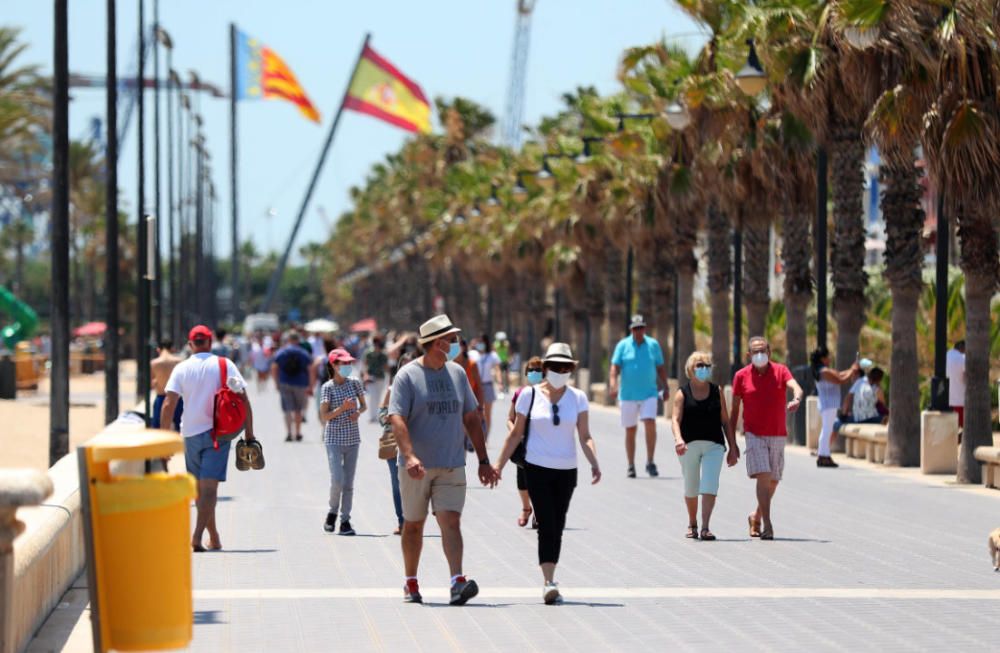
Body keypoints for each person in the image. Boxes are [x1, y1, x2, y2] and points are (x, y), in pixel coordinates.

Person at [388, 314, 497, 606]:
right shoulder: (408, 376)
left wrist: (484, 461)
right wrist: (409, 456)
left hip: (451, 463)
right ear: (436, 342)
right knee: (413, 524)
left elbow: (471, 418)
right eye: (450, 339)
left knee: (451, 520)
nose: (454, 343)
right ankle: (411, 581)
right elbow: (396, 418)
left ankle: (456, 582)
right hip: (416, 469)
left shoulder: (458, 374)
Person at [495, 343, 601, 605]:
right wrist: (497, 465)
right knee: (546, 523)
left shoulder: (578, 398)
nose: (560, 371)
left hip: (567, 471)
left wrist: (594, 462)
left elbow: (585, 435)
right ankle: (548, 581)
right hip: (537, 468)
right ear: (545, 368)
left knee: (558, 524)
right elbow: (516, 433)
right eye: (555, 367)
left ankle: (550, 576)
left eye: (565, 367)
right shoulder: (528, 396)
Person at [160, 325, 255, 552]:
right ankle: (199, 536)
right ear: (210, 343)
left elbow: (168, 404)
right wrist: (249, 433)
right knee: (209, 490)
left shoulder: (181, 368)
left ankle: (213, 537)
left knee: (200, 491)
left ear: (190, 344)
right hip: (218, 434)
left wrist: (165, 439)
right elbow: (243, 399)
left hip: (190, 434)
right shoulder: (225, 365)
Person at [729, 336, 804, 541]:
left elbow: (795, 386)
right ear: (748, 355)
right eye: (755, 351)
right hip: (754, 434)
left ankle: (756, 516)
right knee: (763, 476)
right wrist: (732, 443)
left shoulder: (781, 371)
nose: (759, 354)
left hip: (778, 434)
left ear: (769, 352)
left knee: (773, 480)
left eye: (763, 350)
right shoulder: (741, 376)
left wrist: (796, 398)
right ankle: (768, 524)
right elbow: (734, 409)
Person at [670, 352, 738, 540]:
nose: (703, 368)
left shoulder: (717, 391)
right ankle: (692, 523)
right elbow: (675, 420)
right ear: (690, 369)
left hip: (714, 445)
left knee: (709, 484)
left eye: (706, 365)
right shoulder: (682, 393)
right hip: (688, 445)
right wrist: (678, 439)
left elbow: (725, 421)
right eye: (699, 365)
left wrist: (733, 447)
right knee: (691, 486)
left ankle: (706, 527)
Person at [609, 314, 667, 478]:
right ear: (631, 330)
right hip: (628, 394)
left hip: (649, 392)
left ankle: (650, 461)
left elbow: (660, 367)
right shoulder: (623, 345)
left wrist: (666, 386)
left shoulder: (653, 345)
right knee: (631, 429)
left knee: (650, 422)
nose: (638, 331)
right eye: (635, 328)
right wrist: (613, 384)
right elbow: (615, 367)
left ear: (645, 328)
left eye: (641, 328)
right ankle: (631, 465)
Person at [319, 348, 367, 536]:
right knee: (337, 479)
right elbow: (324, 416)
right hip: (334, 439)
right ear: (333, 365)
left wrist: (358, 412)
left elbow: (364, 405)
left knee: (348, 482)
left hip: (353, 439)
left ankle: (345, 520)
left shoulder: (354, 383)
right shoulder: (327, 388)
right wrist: (343, 408)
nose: (347, 367)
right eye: (343, 364)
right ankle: (332, 511)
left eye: (349, 363)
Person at [379, 349, 420, 536]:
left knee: (416, 484)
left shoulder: (422, 389)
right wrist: (388, 417)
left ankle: (414, 519)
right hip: (395, 443)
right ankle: (402, 521)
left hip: (418, 442)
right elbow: (381, 416)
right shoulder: (391, 389)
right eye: (404, 366)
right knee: (397, 483)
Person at [506, 356, 545, 529]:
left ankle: (538, 512)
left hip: (541, 443)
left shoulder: (548, 395)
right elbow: (510, 418)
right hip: (522, 444)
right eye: (531, 370)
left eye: (538, 370)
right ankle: (526, 508)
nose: (534, 373)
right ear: (526, 373)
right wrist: (516, 432)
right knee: (522, 478)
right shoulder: (519, 393)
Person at [811, 346, 860, 468]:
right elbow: (840, 380)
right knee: (827, 431)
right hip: (828, 404)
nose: (829, 358)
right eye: (827, 356)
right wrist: (852, 371)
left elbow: (839, 374)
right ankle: (823, 456)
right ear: (823, 358)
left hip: (828, 404)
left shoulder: (823, 370)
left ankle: (824, 455)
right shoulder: (824, 371)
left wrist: (851, 370)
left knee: (827, 430)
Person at [272, 331, 315, 442]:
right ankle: (298, 433)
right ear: (298, 340)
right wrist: (311, 385)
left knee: (287, 409)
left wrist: (276, 383)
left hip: (284, 382)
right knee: (298, 409)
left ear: (288, 340)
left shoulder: (281, 352)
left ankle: (289, 433)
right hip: (301, 383)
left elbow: (274, 367)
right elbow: (311, 369)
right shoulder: (303, 352)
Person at [150, 339, 183, 431]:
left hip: (161, 397)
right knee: (179, 427)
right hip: (177, 397)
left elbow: (151, 384)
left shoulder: (154, 363)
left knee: (158, 428)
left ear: (158, 349)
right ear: (172, 349)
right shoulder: (179, 361)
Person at [475, 333, 502, 438]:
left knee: (487, 414)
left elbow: (498, 370)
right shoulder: (473, 354)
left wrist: (500, 382)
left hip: (487, 386)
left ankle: (485, 438)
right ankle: (477, 436)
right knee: (476, 413)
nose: (480, 344)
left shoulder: (492, 356)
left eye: (482, 342)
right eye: (479, 342)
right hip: (476, 387)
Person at [364, 336, 389, 423]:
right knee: (372, 396)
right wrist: (365, 375)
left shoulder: (383, 355)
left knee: (378, 397)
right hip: (371, 378)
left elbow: (386, 367)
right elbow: (365, 365)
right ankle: (372, 416)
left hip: (380, 377)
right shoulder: (368, 353)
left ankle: (378, 415)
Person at [946, 340, 966, 427]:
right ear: (962, 348)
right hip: (960, 400)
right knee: (962, 426)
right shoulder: (962, 358)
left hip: (948, 400)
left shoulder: (946, 355)